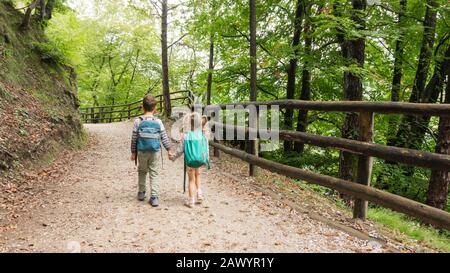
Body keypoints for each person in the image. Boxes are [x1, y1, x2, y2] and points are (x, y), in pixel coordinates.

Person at [130, 95, 172, 207]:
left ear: (143, 107)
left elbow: (134, 138)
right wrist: (169, 149)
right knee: (154, 172)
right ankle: (154, 197)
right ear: (155, 108)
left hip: (141, 151)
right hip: (155, 151)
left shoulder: (138, 121)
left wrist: (133, 152)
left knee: (142, 170)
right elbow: (164, 136)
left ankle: (141, 192)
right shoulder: (158, 121)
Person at [171, 112, 209, 208]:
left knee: (191, 180)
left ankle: (191, 201)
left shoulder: (186, 136)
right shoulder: (202, 134)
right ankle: (199, 193)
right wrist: (207, 159)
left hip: (190, 161)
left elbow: (180, 150)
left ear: (189, 123)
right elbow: (206, 147)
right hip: (200, 160)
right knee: (198, 176)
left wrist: (173, 157)